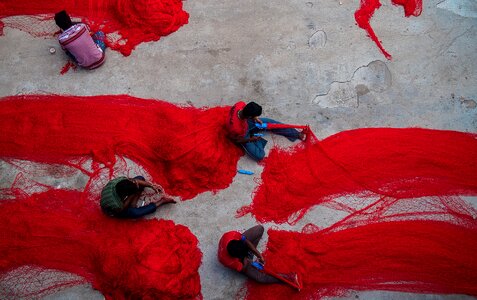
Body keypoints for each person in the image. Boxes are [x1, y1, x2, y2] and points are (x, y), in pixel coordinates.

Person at [218, 225, 299, 285]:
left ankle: (249, 254)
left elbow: (246, 242)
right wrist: (247, 262)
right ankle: (286, 278)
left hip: (239, 250)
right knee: (261, 278)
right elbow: (243, 268)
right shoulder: (230, 262)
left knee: (260, 229)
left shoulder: (232, 235)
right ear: (238, 258)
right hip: (240, 262)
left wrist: (259, 255)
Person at [226, 101, 305, 161]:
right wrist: (250, 139)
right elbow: (237, 140)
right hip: (242, 135)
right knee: (259, 156)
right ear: (250, 116)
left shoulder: (240, 104)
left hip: (246, 122)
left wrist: (256, 119)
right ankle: (255, 137)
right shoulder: (235, 128)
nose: (256, 117)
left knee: (271, 123)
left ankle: (296, 134)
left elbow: (248, 115)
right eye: (255, 116)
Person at [100, 176, 176, 218]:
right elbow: (123, 208)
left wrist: (151, 186)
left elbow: (135, 180)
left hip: (125, 194)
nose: (136, 183)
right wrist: (133, 195)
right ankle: (162, 202)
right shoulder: (116, 204)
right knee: (135, 212)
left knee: (140, 178)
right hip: (117, 211)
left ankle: (137, 192)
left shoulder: (120, 181)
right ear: (126, 195)